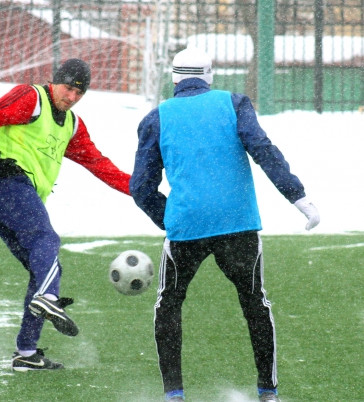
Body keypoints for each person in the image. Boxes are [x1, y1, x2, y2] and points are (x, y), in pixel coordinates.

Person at [129, 47, 321, 402]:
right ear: (209, 76)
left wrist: (168, 216)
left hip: (187, 227)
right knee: (254, 303)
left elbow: (140, 187)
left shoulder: (157, 117)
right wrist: (298, 197)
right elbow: (264, 150)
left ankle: (174, 394)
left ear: (174, 78)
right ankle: (268, 391)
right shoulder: (234, 104)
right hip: (238, 223)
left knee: (168, 305)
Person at [0, 58, 131, 371]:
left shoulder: (72, 124)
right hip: (3, 183)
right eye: (68, 88)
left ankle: (26, 352)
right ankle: (48, 299)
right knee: (46, 239)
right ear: (56, 81)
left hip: (15, 198)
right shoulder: (31, 98)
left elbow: (98, 163)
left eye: (80, 92)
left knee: (45, 268)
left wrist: (137, 189)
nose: (72, 96)